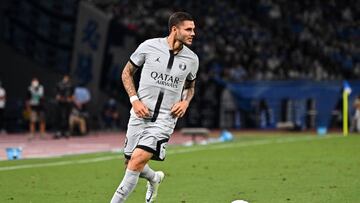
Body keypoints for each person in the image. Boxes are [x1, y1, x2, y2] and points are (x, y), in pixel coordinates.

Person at [110, 12, 199, 203]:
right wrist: (134, 100)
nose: (193, 33)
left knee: (136, 161)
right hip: (139, 113)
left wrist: (185, 102)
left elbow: (190, 87)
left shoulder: (192, 59)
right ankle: (154, 178)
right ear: (175, 29)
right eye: (189, 29)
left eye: (194, 29)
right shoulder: (148, 47)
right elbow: (127, 73)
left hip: (165, 119)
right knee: (130, 162)